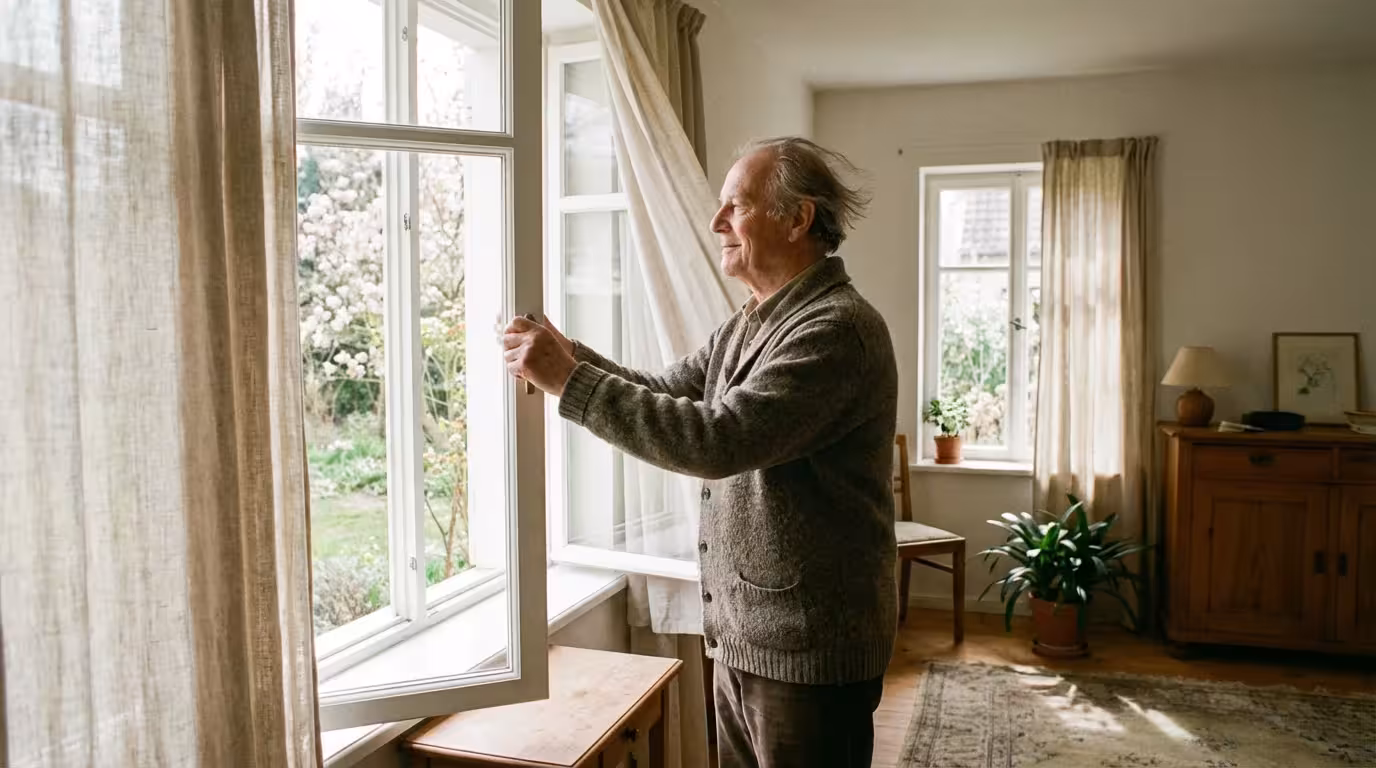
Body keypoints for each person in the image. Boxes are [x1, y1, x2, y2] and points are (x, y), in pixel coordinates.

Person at [503, 137, 898, 768]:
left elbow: (716, 439)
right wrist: (569, 355)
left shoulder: (837, 329)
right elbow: (665, 391)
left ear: (797, 219)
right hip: (749, 639)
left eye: (735, 206)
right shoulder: (752, 320)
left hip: (809, 653)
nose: (716, 223)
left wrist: (569, 380)